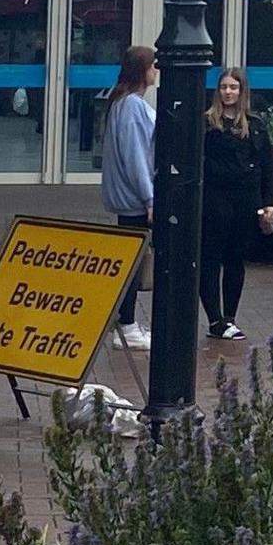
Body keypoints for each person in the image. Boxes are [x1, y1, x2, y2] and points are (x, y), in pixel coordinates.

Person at [200, 70, 273, 341]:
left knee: (236, 257)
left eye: (233, 87)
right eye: (223, 87)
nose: (228, 92)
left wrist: (269, 202)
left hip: (247, 197)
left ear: (242, 91)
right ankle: (215, 319)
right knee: (210, 257)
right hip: (217, 196)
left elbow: (266, 164)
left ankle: (229, 316)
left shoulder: (255, 124)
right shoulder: (208, 123)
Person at [101, 43, 157, 354]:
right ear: (143, 70)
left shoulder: (119, 102)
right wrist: (150, 197)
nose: (156, 71)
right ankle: (127, 324)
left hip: (127, 197)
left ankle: (126, 322)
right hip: (136, 198)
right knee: (135, 263)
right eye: (153, 65)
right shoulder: (133, 107)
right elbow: (137, 156)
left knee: (132, 259)